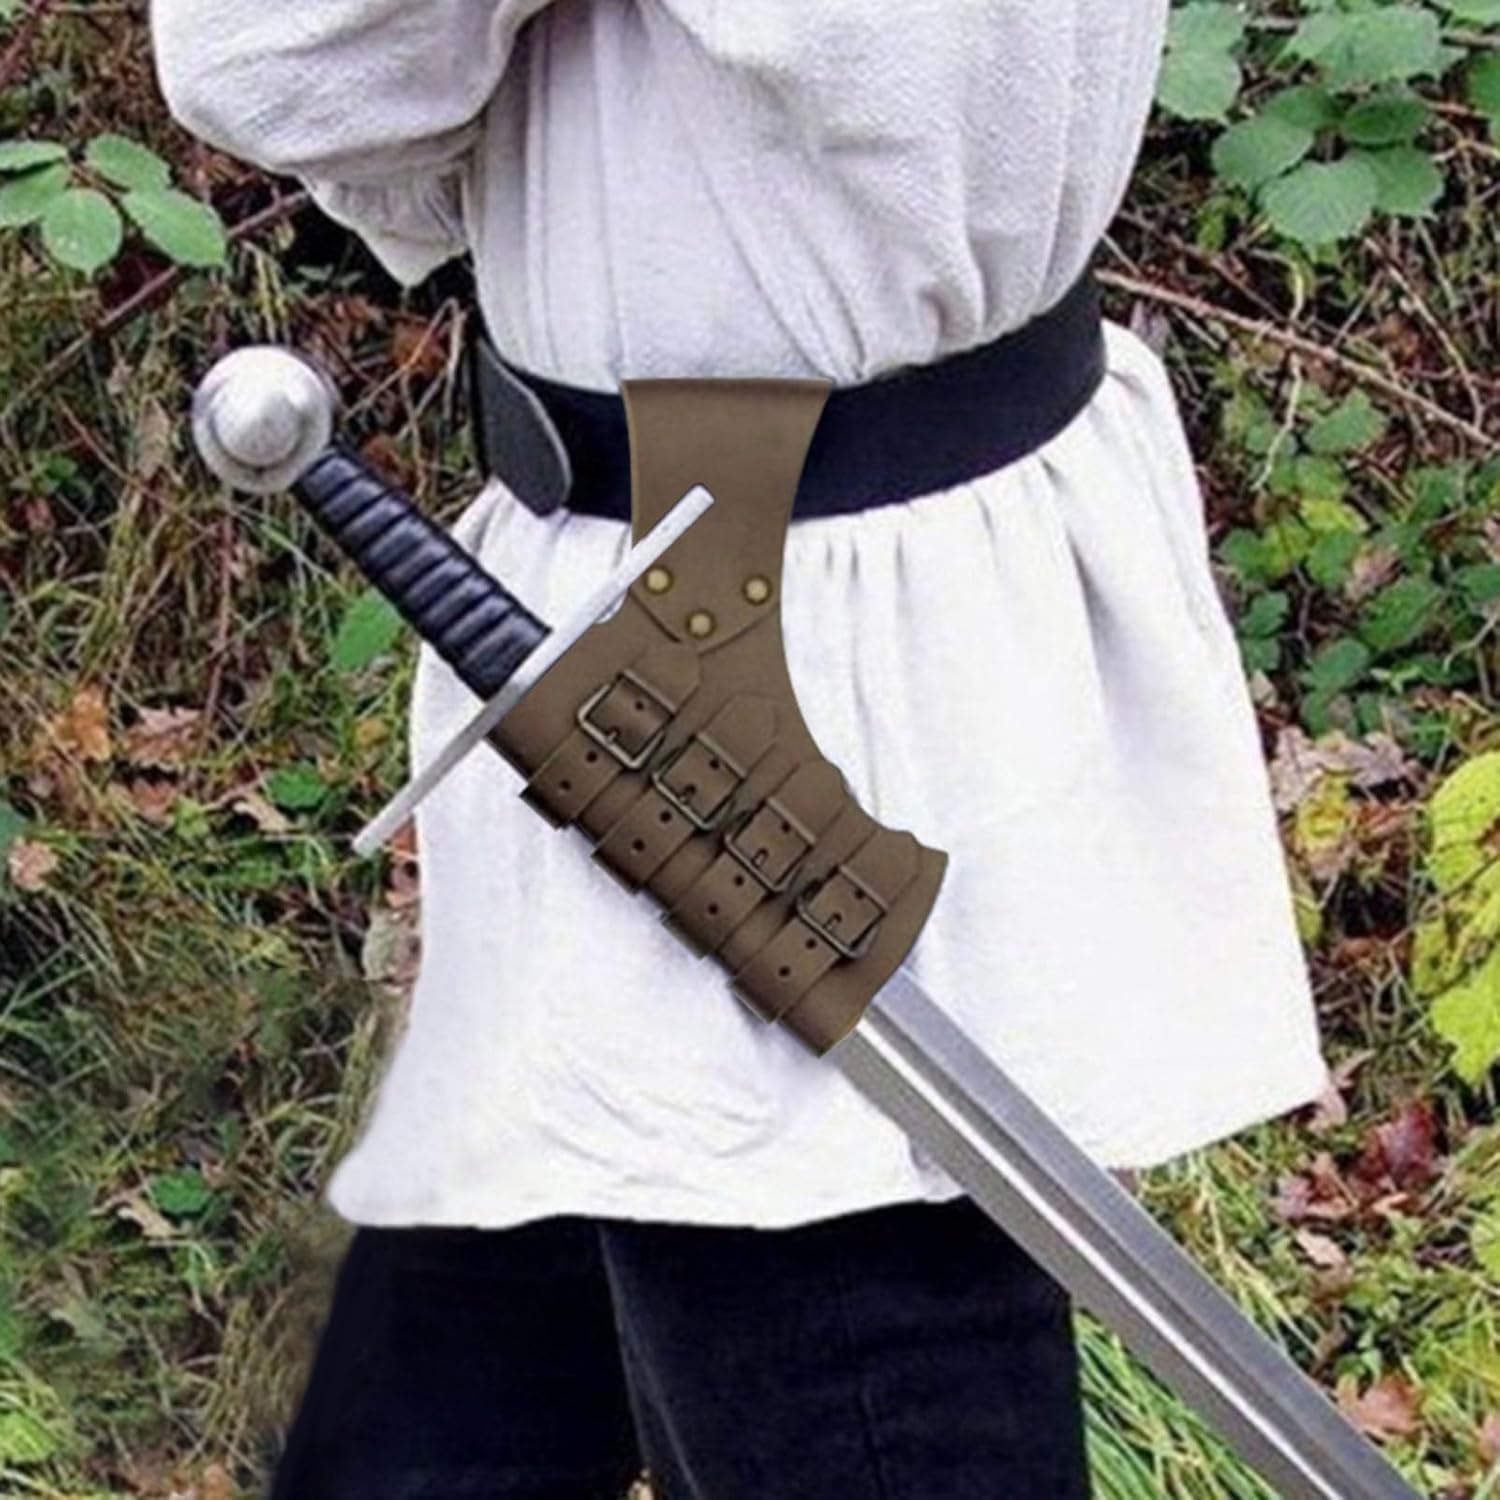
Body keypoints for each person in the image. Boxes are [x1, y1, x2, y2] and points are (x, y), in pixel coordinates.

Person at [149, 4, 1332, 1497]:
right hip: (812, 594)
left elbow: (268, 59)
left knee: (842, 1328)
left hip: (771, 662)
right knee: (474, 1378)